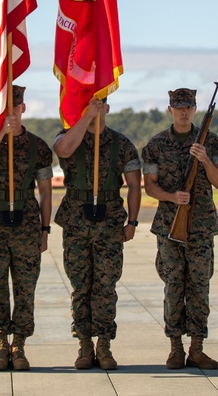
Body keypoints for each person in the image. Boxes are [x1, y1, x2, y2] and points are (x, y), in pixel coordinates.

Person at [0, 85, 54, 371]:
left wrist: (45, 230)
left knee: (25, 287)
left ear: (23, 109)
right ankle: (0, 344)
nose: (11, 113)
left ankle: (19, 346)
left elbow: (45, 191)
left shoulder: (38, 147)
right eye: (6, 108)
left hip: (27, 225)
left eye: (15, 108)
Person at [53, 97, 142, 371]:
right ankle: (84, 345)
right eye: (91, 104)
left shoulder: (122, 144)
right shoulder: (68, 136)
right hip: (77, 221)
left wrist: (133, 222)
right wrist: (86, 118)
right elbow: (65, 150)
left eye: (100, 104)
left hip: (109, 221)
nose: (96, 109)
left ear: (108, 108)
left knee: (106, 286)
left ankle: (104, 345)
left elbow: (135, 185)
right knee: (81, 286)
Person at [141, 88, 218, 371]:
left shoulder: (211, 143)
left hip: (201, 228)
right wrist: (172, 197)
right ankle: (175, 348)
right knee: (173, 287)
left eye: (188, 107)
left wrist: (204, 160)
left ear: (195, 109)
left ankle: (197, 349)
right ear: (170, 110)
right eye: (178, 107)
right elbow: (149, 186)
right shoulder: (155, 145)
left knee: (200, 288)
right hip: (169, 227)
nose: (184, 112)